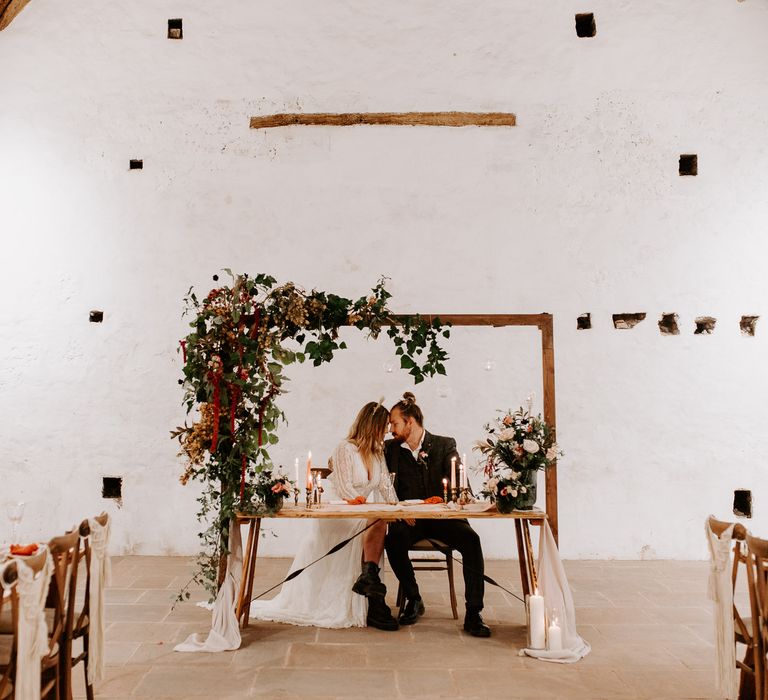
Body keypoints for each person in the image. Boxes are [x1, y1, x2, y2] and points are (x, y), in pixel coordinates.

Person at [249, 401, 400, 630]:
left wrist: (399, 509)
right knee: (377, 520)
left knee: (379, 519)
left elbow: (387, 486)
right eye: (385, 426)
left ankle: (370, 584)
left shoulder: (378, 453)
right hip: (340, 513)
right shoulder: (345, 448)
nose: (387, 431)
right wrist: (364, 505)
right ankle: (374, 596)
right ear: (372, 426)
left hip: (363, 511)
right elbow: (344, 487)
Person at [384, 392, 491, 637]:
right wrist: (400, 511)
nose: (391, 428)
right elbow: (381, 480)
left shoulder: (444, 445)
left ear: (410, 421)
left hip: (444, 520)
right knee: (392, 540)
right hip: (410, 520)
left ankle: (474, 613)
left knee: (472, 541)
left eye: (394, 423)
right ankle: (413, 598)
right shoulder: (390, 448)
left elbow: (460, 483)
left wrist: (458, 497)